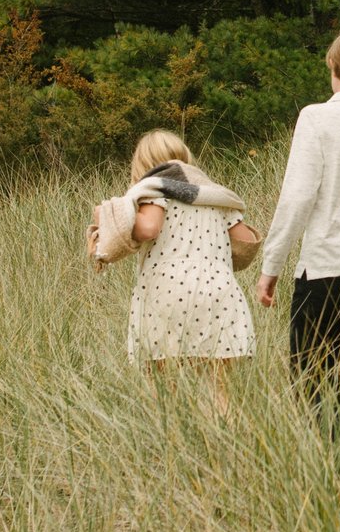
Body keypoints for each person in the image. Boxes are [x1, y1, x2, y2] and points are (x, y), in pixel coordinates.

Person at [254, 25, 340, 424]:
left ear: (333, 64)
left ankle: (331, 476)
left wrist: (271, 268)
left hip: (326, 269)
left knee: (309, 380)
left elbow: (298, 198)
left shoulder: (315, 118)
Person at [91, 129, 262, 410]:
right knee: (218, 391)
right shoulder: (215, 197)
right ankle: (226, 451)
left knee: (162, 390)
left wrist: (108, 218)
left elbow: (148, 228)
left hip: (167, 292)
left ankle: (170, 450)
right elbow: (245, 242)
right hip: (220, 292)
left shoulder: (154, 190)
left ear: (144, 163)